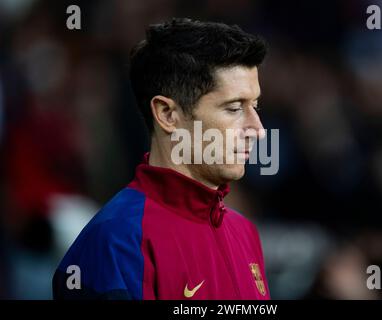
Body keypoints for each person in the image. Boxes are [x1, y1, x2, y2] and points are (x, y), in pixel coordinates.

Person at [53, 18, 270, 300]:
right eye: (234, 108)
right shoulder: (114, 243)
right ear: (168, 114)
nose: (258, 129)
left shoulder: (245, 233)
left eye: (254, 106)